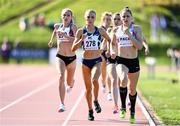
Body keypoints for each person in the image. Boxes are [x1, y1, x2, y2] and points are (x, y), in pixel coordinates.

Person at [71, 9, 111, 121]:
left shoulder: (100, 31)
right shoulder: (80, 31)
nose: (90, 19)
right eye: (88, 17)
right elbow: (73, 49)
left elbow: (109, 39)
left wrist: (107, 50)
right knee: (88, 89)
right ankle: (90, 110)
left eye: (92, 17)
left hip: (97, 60)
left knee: (94, 80)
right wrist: (80, 41)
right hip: (85, 62)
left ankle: (96, 100)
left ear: (95, 18)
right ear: (85, 18)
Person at [111, 7, 143, 124]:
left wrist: (130, 35)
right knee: (123, 79)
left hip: (133, 61)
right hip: (121, 60)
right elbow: (112, 43)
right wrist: (113, 51)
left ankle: (132, 112)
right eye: (123, 16)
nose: (125, 18)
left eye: (127, 16)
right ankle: (123, 107)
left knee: (132, 89)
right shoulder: (116, 30)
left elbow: (139, 46)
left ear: (131, 18)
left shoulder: (137, 29)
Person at [48, 8, 77, 112]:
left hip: (71, 58)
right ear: (62, 16)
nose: (66, 17)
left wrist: (66, 36)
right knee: (61, 76)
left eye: (68, 15)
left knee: (69, 82)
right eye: (64, 15)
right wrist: (51, 41)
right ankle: (62, 104)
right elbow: (54, 32)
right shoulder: (57, 26)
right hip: (60, 56)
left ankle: (72, 82)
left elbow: (78, 40)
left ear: (71, 17)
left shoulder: (73, 27)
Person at [106, 12, 122, 113]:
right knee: (114, 80)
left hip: (122, 58)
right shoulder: (109, 30)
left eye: (118, 19)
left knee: (123, 81)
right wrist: (108, 51)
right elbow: (107, 43)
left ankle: (126, 100)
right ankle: (116, 105)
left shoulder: (125, 31)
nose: (116, 21)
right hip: (111, 58)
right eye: (114, 19)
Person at [99, 11, 112, 100]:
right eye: (105, 19)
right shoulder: (100, 29)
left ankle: (109, 91)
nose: (107, 21)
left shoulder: (112, 28)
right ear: (103, 20)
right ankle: (103, 82)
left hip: (110, 51)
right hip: (102, 51)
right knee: (103, 69)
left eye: (108, 19)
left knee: (109, 71)